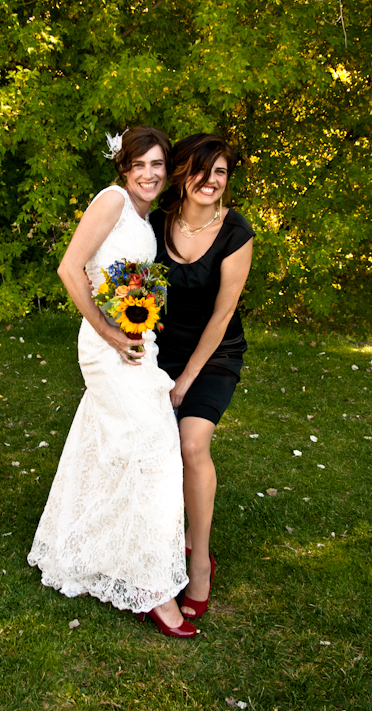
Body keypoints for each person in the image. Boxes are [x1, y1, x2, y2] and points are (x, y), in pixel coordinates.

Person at [27, 127, 196, 638]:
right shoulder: (113, 201)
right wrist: (108, 333)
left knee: (113, 447)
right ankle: (155, 591)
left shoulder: (145, 218)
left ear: (167, 172)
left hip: (136, 343)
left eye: (157, 165)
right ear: (124, 167)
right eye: (139, 164)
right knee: (156, 448)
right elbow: (70, 268)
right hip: (107, 346)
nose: (149, 174)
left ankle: (90, 550)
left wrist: (137, 319)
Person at [150, 133, 254, 620]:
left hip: (214, 356)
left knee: (192, 444)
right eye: (201, 170)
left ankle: (199, 561)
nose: (210, 181)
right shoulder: (156, 223)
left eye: (220, 173)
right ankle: (152, 545)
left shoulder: (236, 232)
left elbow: (222, 313)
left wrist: (186, 381)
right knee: (153, 449)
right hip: (158, 352)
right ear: (182, 174)